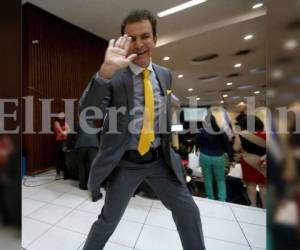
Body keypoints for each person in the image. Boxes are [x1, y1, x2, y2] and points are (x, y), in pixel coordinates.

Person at [80, 9, 206, 250]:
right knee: (107, 222)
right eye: (131, 38)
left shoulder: (165, 74)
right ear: (124, 42)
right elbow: (87, 113)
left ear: (155, 39)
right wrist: (105, 72)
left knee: (189, 212)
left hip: (160, 161)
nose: (139, 44)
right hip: (125, 163)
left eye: (145, 36)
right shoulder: (114, 75)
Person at [196, 114, 234, 201]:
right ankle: (222, 199)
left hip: (204, 156)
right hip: (219, 157)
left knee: (207, 179)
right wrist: (231, 159)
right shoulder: (220, 131)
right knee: (220, 179)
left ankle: (210, 197)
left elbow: (197, 144)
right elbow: (227, 146)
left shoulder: (200, 131)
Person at [233, 115, 266, 207]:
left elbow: (236, 148)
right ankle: (265, 207)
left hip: (248, 161)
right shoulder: (266, 134)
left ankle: (254, 205)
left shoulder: (241, 134)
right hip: (263, 162)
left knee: (251, 184)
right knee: (263, 185)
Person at [75, 117, 103, 201]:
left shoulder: (79, 122)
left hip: (81, 145)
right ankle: (95, 194)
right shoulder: (97, 122)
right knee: (94, 168)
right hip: (93, 146)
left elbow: (73, 134)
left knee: (81, 165)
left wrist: (67, 145)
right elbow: (100, 135)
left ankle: (82, 184)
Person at [53, 112, 70, 179]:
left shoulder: (65, 122)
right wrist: (65, 133)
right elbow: (62, 132)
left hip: (65, 141)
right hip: (59, 141)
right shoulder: (56, 122)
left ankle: (64, 173)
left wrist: (64, 133)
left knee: (64, 157)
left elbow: (69, 130)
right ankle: (58, 174)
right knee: (59, 157)